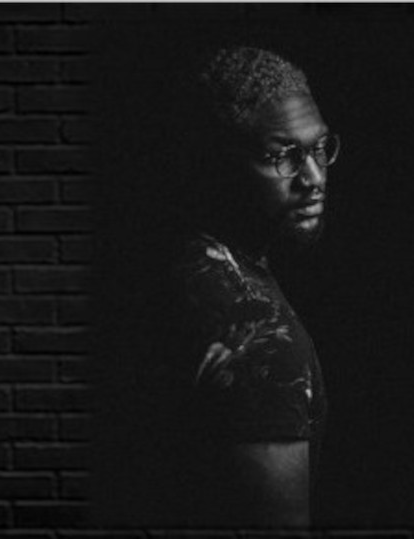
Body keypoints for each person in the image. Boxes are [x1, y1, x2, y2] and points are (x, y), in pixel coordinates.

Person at [97, 46, 340, 529]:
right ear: (214, 162)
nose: (313, 178)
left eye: (319, 149)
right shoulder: (262, 342)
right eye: (283, 156)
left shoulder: (179, 263)